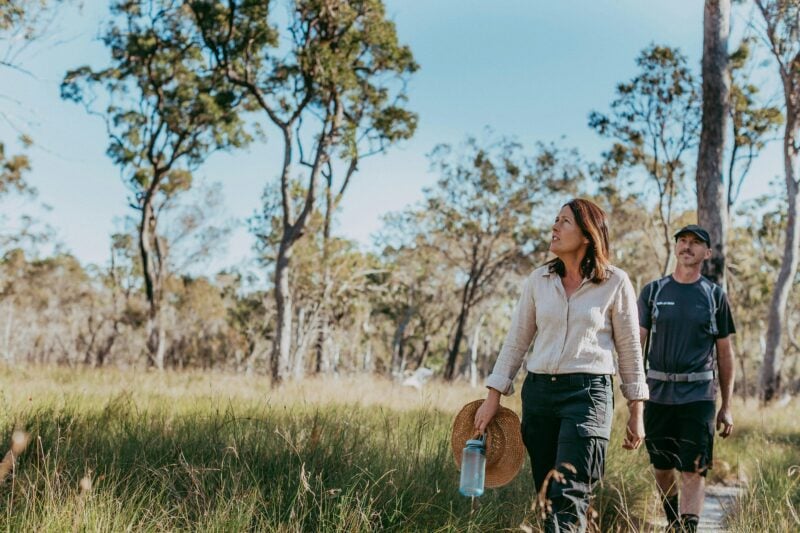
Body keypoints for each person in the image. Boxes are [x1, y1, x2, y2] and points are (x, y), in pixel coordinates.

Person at [474, 198, 649, 533]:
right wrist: (493, 396)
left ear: (587, 234)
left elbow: (629, 349)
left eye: (564, 221)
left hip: (589, 397)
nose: (554, 227)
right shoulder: (538, 280)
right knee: (547, 494)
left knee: (569, 493)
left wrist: (636, 410)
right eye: (555, 220)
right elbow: (516, 341)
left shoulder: (615, 282)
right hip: (539, 394)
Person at [637, 224, 736, 533]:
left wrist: (727, 405)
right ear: (676, 247)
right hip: (657, 395)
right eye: (682, 241)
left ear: (706, 253)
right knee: (662, 469)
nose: (687, 246)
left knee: (693, 469)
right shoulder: (653, 292)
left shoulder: (715, 296)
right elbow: (636, 345)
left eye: (695, 243)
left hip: (699, 396)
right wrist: (634, 397)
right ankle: (673, 520)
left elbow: (725, 353)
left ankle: (687, 528)